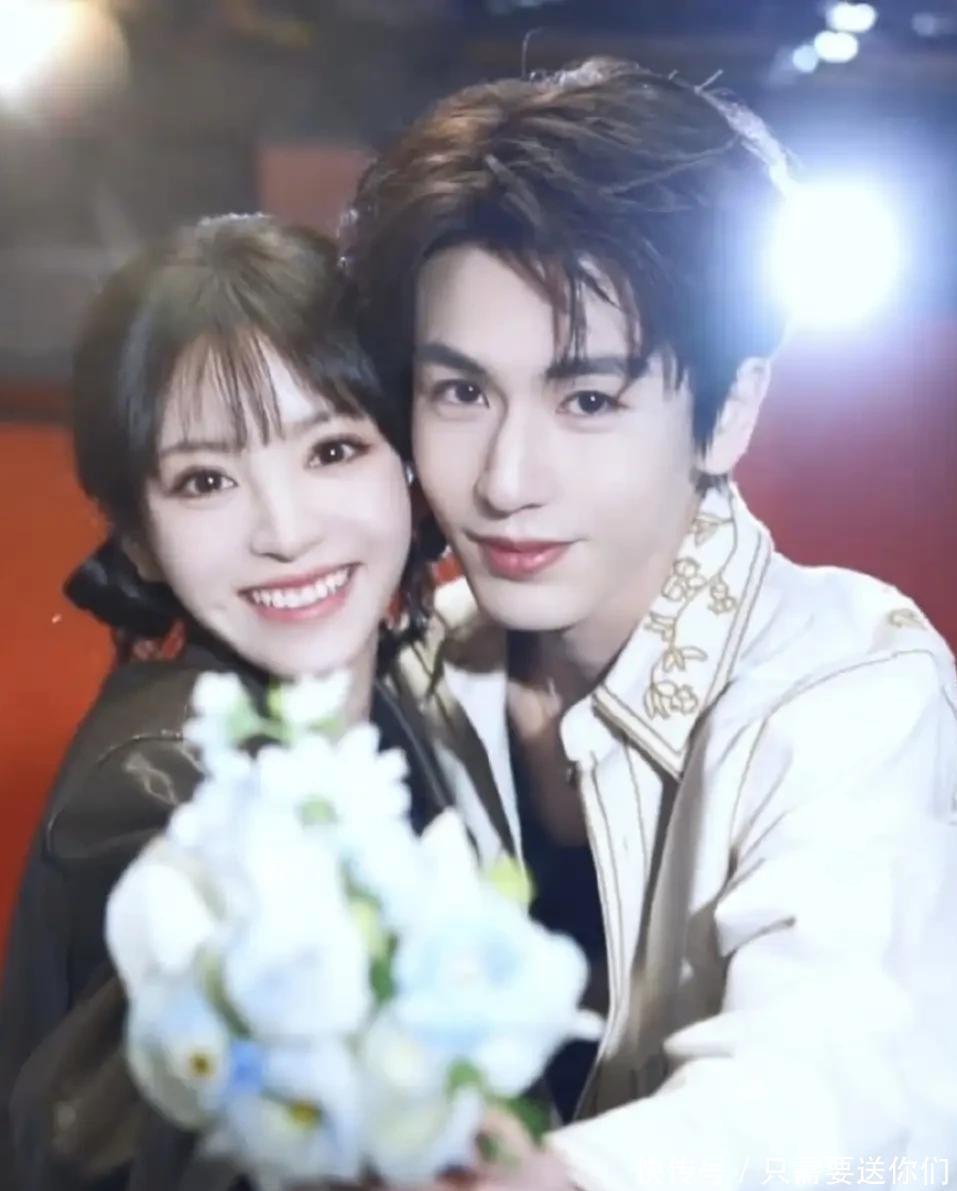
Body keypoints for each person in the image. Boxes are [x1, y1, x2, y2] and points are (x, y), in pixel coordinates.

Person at [343, 57, 957, 1188]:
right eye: (461, 393)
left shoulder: (850, 689)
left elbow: (829, 1075)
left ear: (729, 412)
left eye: (588, 399)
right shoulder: (412, 674)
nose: (507, 480)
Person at [0, 212, 453, 1191]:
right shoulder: (166, 793)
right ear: (135, 535)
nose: (286, 532)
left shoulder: (386, 694)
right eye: (207, 479)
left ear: (410, 458)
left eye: (331, 450)